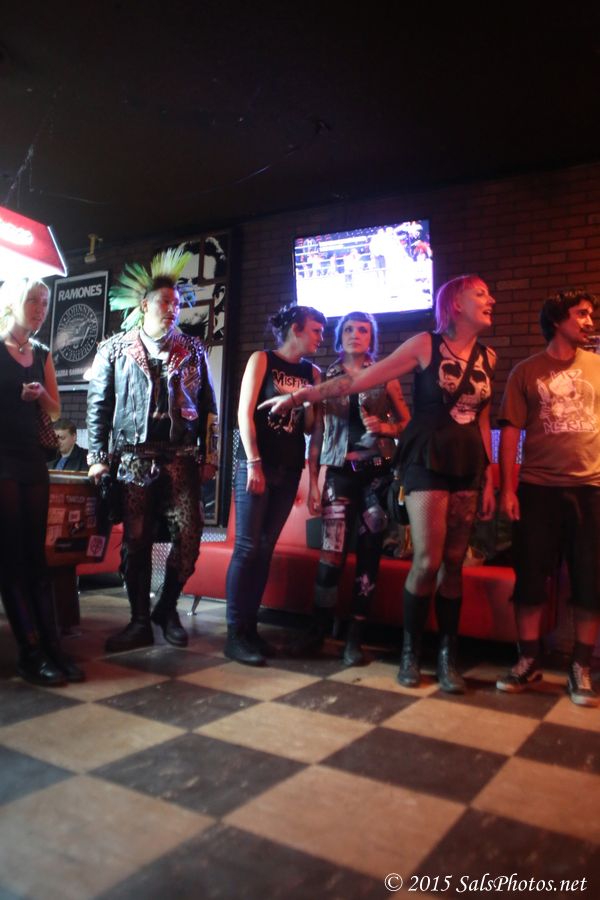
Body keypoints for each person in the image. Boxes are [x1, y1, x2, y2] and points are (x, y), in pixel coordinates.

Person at [261, 275, 497, 692]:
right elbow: (351, 385)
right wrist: (298, 398)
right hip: (421, 463)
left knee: (454, 563)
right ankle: (406, 652)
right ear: (456, 303)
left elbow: (482, 419)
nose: (490, 299)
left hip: (464, 466)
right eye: (480, 294)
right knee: (426, 561)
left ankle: (447, 657)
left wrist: (491, 475)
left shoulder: (488, 356)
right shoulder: (424, 344)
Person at [87, 247, 218, 653]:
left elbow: (210, 407)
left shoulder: (193, 348)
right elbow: (99, 406)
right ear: (145, 305)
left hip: (181, 455)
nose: (172, 309)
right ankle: (139, 621)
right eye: (165, 302)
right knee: (137, 538)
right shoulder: (114, 349)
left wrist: (211, 455)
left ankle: (166, 607)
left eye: (177, 304)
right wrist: (97, 459)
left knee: (191, 533)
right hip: (133, 456)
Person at [496, 288, 600, 707]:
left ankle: (581, 667)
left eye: (591, 314)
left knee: (590, 581)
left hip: (591, 488)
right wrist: (507, 488)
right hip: (537, 490)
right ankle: (528, 660)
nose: (589, 321)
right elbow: (510, 433)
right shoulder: (526, 372)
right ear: (558, 320)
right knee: (530, 580)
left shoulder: (597, 367)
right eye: (581, 314)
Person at [298, 311, 410, 665]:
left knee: (369, 557)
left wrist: (386, 428)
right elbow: (317, 434)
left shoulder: (385, 375)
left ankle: (355, 639)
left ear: (371, 337)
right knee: (331, 556)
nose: (355, 334)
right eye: (348, 329)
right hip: (340, 474)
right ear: (339, 336)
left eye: (362, 329)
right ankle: (318, 632)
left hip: (377, 475)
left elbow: (407, 423)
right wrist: (313, 483)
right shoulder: (326, 377)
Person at [224, 303, 325, 665]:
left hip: (289, 467)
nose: (321, 337)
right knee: (247, 546)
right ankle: (235, 634)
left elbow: (311, 428)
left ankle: (250, 629)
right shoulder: (262, 359)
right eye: (315, 330)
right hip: (256, 464)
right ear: (296, 329)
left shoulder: (313, 372)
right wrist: (253, 462)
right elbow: (244, 413)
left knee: (265, 548)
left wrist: (310, 398)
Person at [0, 279, 84, 685]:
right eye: (32, 300)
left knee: (37, 557)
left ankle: (53, 647)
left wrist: (39, 397)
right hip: (1, 458)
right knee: (11, 557)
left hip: (32, 459)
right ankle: (30, 652)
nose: (39, 308)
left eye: (45, 302)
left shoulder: (43, 354)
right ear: (12, 302)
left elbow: (55, 412)